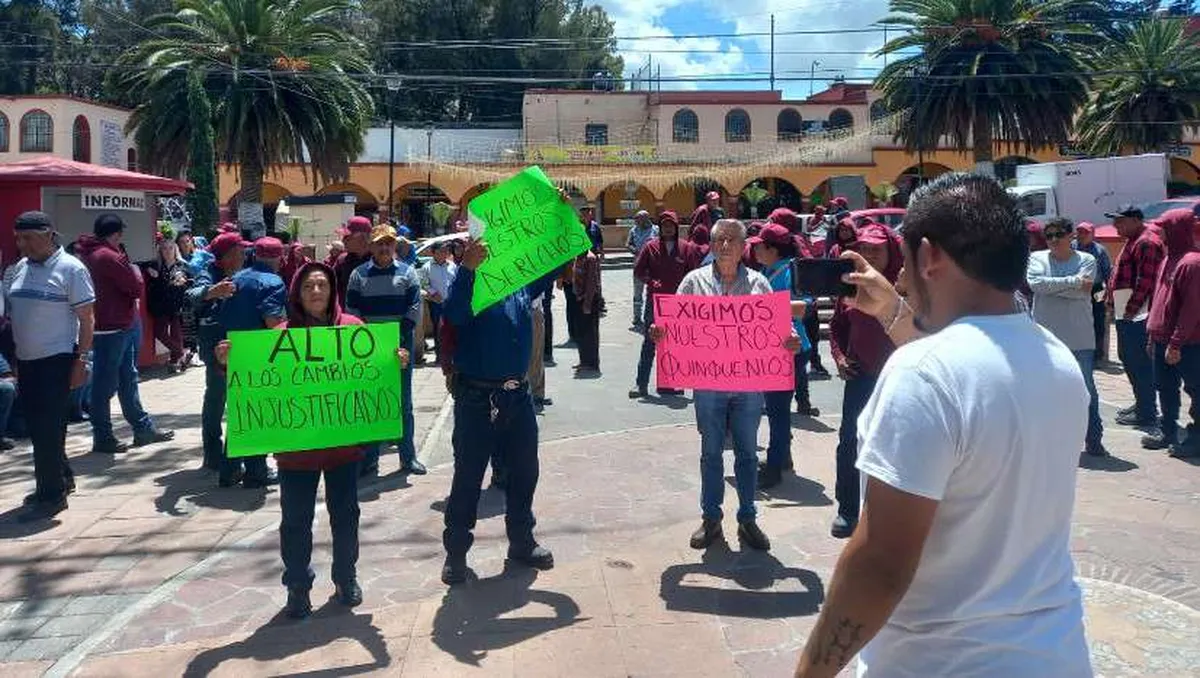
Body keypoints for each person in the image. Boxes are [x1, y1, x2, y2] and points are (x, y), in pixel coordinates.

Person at [793, 173, 1091, 678]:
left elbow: (880, 564)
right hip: (1055, 655)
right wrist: (892, 311)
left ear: (928, 256)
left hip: (939, 663)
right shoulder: (1054, 356)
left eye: (905, 260)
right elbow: (964, 379)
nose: (903, 278)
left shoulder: (921, 374)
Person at [215, 262, 400, 618]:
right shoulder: (280, 337)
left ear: (332, 291)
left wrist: (395, 362)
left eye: (322, 286)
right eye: (308, 287)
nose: (316, 292)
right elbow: (253, 377)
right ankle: (298, 587)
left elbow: (374, 373)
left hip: (342, 449)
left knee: (346, 517)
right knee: (295, 521)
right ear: (297, 294)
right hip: (295, 453)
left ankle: (346, 578)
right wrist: (227, 362)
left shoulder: (353, 331)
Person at [651, 219, 801, 552]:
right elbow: (672, 324)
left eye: (732, 240)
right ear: (711, 244)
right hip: (708, 385)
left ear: (744, 246)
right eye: (719, 239)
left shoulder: (760, 285)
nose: (724, 246)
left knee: (748, 454)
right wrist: (660, 332)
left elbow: (781, 329)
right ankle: (711, 519)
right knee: (711, 453)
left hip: (749, 386)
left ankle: (748, 518)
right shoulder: (693, 282)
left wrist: (789, 340)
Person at [440, 237, 561, 585]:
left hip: (517, 397)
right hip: (476, 399)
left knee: (525, 472)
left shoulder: (520, 282)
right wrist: (467, 269)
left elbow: (553, 259)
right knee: (468, 476)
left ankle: (522, 541)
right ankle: (457, 552)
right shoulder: (468, 282)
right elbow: (454, 314)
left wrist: (559, 214)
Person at [4, 212, 92, 520]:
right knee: (45, 427)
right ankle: (62, 478)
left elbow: (86, 319)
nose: (21, 244)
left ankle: (50, 495)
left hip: (56, 360)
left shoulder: (71, 269)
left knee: (45, 428)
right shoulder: (17, 270)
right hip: (26, 360)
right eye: (18, 237)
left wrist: (81, 360)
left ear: (48, 234)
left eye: (26, 237)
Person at [76, 214, 174, 454]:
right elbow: (133, 286)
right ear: (116, 233)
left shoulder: (89, 254)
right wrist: (133, 273)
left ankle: (140, 428)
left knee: (123, 378)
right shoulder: (108, 257)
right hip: (115, 325)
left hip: (112, 323)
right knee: (107, 383)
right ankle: (106, 435)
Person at [827, 223, 900, 539]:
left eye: (876, 249)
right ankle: (847, 509)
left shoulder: (904, 284)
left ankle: (888, 511)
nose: (869, 254)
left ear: (890, 251)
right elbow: (837, 328)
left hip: (897, 379)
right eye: (864, 248)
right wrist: (840, 358)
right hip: (859, 378)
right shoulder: (850, 285)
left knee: (893, 443)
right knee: (849, 443)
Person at [345, 225, 424, 477]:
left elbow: (414, 308)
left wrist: (395, 339)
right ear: (371, 246)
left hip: (400, 347)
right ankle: (370, 460)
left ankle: (408, 457)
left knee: (403, 403)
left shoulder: (408, 273)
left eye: (388, 243)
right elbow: (352, 310)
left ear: (394, 246)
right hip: (368, 350)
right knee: (371, 403)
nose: (384, 247)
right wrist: (370, 341)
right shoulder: (358, 275)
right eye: (379, 243)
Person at [1027, 217, 1106, 458]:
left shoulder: (1088, 259)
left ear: (1070, 235)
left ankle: (1094, 440)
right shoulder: (1037, 258)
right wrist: (1072, 284)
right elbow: (1035, 285)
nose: (1052, 240)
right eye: (1048, 235)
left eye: (1058, 234)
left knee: (1086, 391)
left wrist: (1055, 287)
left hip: (1079, 338)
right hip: (1045, 340)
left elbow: (1085, 291)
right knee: (1044, 392)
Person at [215, 235, 286, 488]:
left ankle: (229, 469)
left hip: (233, 353)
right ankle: (256, 471)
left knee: (239, 412)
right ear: (278, 258)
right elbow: (272, 321)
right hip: (260, 355)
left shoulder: (236, 278)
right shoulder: (273, 281)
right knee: (257, 413)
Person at [747, 223, 813, 490]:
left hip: (790, 349)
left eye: (759, 246)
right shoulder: (768, 271)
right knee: (776, 408)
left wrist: (762, 309)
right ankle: (782, 458)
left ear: (772, 249)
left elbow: (805, 306)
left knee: (777, 411)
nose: (755, 249)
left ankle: (774, 468)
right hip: (772, 349)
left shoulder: (790, 271)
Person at [187, 232, 245, 472]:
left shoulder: (244, 272)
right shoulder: (207, 272)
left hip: (239, 342)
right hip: (215, 346)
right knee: (216, 398)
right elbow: (190, 295)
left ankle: (236, 454)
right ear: (228, 255)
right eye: (239, 251)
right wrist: (213, 291)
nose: (244, 255)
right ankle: (212, 453)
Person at [1144, 208, 1200, 455]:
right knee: (1164, 387)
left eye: (1164, 228)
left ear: (1176, 230)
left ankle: (1196, 438)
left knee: (1196, 390)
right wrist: (1152, 335)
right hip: (1160, 339)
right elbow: (1158, 300)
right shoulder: (1168, 258)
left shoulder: (1192, 263)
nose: (1160, 233)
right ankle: (1167, 430)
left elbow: (1192, 309)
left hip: (1188, 344)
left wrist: (1176, 343)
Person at [629, 210, 701, 398]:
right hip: (655, 302)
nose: (668, 229)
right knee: (650, 342)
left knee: (672, 343)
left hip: (678, 305)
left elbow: (694, 275)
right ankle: (641, 384)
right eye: (665, 226)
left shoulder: (686, 248)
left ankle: (668, 384)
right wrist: (651, 281)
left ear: (676, 227)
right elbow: (638, 271)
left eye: (671, 226)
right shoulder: (650, 247)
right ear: (660, 228)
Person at [1109, 203, 1166, 428]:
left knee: (1139, 361)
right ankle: (1142, 403)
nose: (1115, 226)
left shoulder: (1146, 242)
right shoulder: (1134, 240)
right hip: (1128, 309)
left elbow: (1146, 282)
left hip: (1138, 313)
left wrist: (1131, 311)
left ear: (1135, 220)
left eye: (1120, 221)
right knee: (1129, 359)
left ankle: (1147, 411)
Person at [143, 233, 192, 372]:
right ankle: (181, 354)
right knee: (160, 332)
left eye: (170, 248)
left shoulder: (182, 265)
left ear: (175, 249)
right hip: (160, 305)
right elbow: (140, 264)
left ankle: (174, 361)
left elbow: (188, 280)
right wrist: (149, 271)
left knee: (177, 334)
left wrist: (183, 281)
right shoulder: (155, 265)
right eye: (164, 248)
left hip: (177, 304)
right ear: (160, 250)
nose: (168, 251)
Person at [1074, 222, 1113, 363]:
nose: (1081, 235)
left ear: (1092, 234)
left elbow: (1108, 273)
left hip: (1097, 290)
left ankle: (1098, 355)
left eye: (1085, 232)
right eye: (1079, 232)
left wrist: (1109, 293)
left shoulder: (1100, 250)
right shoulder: (1072, 247)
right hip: (1076, 289)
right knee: (1077, 320)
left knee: (1098, 320)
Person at [420, 241, 457, 365]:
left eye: (446, 250)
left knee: (453, 328)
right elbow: (424, 283)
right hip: (436, 303)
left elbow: (456, 282)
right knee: (438, 329)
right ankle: (440, 356)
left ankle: (453, 355)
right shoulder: (426, 267)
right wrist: (433, 292)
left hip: (451, 303)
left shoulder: (452, 265)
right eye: (441, 251)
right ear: (433, 253)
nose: (444, 253)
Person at [570, 248, 602, 375]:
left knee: (590, 333)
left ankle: (592, 363)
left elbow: (591, 283)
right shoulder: (578, 257)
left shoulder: (590, 258)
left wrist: (587, 304)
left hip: (588, 299)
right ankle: (584, 360)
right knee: (580, 332)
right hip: (578, 298)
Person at [625, 210, 658, 328]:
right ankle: (637, 317)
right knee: (637, 293)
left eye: (638, 219)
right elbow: (628, 244)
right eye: (636, 219)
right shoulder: (633, 230)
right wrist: (635, 250)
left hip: (653, 267)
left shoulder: (656, 230)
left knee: (653, 291)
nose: (636, 221)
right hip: (638, 265)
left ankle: (652, 316)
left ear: (646, 218)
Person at [333, 216, 373, 305]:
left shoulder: (379, 260)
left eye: (347, 237)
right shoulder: (342, 261)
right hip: (348, 316)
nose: (343, 241)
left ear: (364, 238)